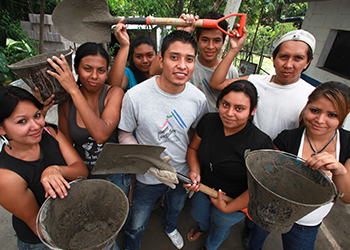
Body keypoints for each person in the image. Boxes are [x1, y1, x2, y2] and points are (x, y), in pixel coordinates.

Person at [208, 28, 317, 248]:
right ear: (273, 57)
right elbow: (216, 83)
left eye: (298, 58)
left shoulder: (312, 96)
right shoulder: (256, 81)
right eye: (283, 56)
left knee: (263, 216)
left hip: (277, 168)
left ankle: (252, 232)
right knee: (241, 200)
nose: (288, 64)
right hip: (242, 158)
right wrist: (234, 49)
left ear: (308, 62)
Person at [118, 29, 209, 250]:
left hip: (181, 172)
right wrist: (146, 162)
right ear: (161, 59)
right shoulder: (135, 96)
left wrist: (193, 168)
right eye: (174, 57)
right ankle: (132, 244)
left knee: (175, 207)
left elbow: (196, 135)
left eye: (189, 59)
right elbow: (124, 133)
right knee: (137, 220)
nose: (182, 65)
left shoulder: (198, 99)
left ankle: (169, 227)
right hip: (148, 175)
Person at [248, 81, 350, 250]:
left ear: (344, 115)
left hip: (307, 224)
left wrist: (339, 171)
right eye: (315, 110)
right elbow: (268, 178)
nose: (320, 120)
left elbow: (346, 197)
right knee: (256, 239)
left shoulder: (347, 144)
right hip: (272, 210)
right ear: (306, 107)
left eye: (332, 115)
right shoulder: (287, 139)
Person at [46, 19, 132, 195]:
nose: (94, 76)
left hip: (115, 176)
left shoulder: (114, 94)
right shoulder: (66, 104)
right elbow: (66, 146)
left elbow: (101, 135)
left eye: (101, 70)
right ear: (76, 69)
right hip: (84, 177)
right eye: (87, 69)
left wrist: (73, 90)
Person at [185, 80, 273, 250]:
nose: (229, 113)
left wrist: (228, 208)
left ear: (252, 111)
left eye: (239, 108)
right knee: (198, 213)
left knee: (221, 225)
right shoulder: (209, 121)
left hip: (234, 200)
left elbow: (261, 187)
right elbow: (193, 148)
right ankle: (203, 228)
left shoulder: (260, 143)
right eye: (225, 104)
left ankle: (210, 246)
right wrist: (195, 170)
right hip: (203, 189)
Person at [0, 85, 88, 250]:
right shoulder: (6, 177)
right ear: (1, 129)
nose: (36, 126)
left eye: (37, 115)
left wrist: (57, 169)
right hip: (42, 241)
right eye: (22, 121)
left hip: (75, 220)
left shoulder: (49, 133)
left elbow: (81, 171)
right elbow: (40, 227)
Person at [150, 11, 239, 112]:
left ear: (223, 42)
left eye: (217, 41)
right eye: (205, 40)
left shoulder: (231, 71)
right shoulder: (186, 65)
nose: (210, 46)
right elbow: (154, 71)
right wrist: (182, 33)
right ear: (197, 39)